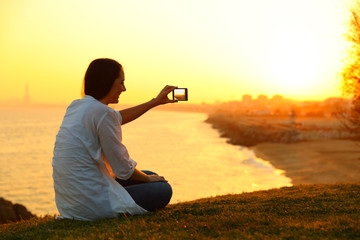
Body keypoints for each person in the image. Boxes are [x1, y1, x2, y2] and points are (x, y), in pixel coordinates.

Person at [52, 58, 176, 221]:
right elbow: (123, 170)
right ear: (107, 82)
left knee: (151, 176)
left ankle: (147, 181)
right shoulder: (103, 113)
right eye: (121, 82)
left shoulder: (77, 106)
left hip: (71, 204)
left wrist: (155, 102)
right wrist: (148, 179)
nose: (124, 89)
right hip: (93, 205)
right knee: (162, 188)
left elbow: (117, 117)